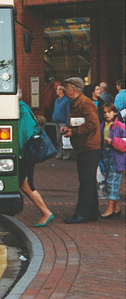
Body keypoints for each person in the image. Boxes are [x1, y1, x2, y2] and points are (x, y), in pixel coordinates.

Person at [60, 77, 101, 224]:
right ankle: (92, 213)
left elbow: (92, 123)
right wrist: (69, 129)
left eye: (67, 86)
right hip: (85, 147)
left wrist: (74, 132)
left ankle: (82, 214)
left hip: (89, 147)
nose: (65, 89)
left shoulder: (85, 103)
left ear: (74, 88)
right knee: (88, 180)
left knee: (86, 181)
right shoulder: (77, 103)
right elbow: (81, 122)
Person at [18, 90, 55, 227]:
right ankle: (45, 212)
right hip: (26, 152)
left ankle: (46, 212)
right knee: (25, 184)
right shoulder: (20, 108)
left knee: (26, 184)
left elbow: (24, 134)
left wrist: (18, 152)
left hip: (26, 153)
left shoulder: (22, 109)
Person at [99, 103, 126, 219]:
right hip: (106, 155)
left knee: (112, 182)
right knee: (110, 180)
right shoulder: (102, 125)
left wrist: (113, 141)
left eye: (109, 112)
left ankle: (110, 208)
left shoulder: (120, 126)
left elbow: (124, 143)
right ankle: (116, 207)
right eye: (104, 112)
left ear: (114, 112)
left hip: (116, 157)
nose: (106, 114)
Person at [52, 84, 71, 160]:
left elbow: (67, 112)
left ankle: (66, 155)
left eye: (57, 89)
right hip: (57, 121)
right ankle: (59, 154)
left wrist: (67, 123)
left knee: (65, 138)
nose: (56, 91)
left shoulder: (66, 100)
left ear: (61, 91)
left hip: (63, 122)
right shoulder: (57, 100)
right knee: (58, 139)